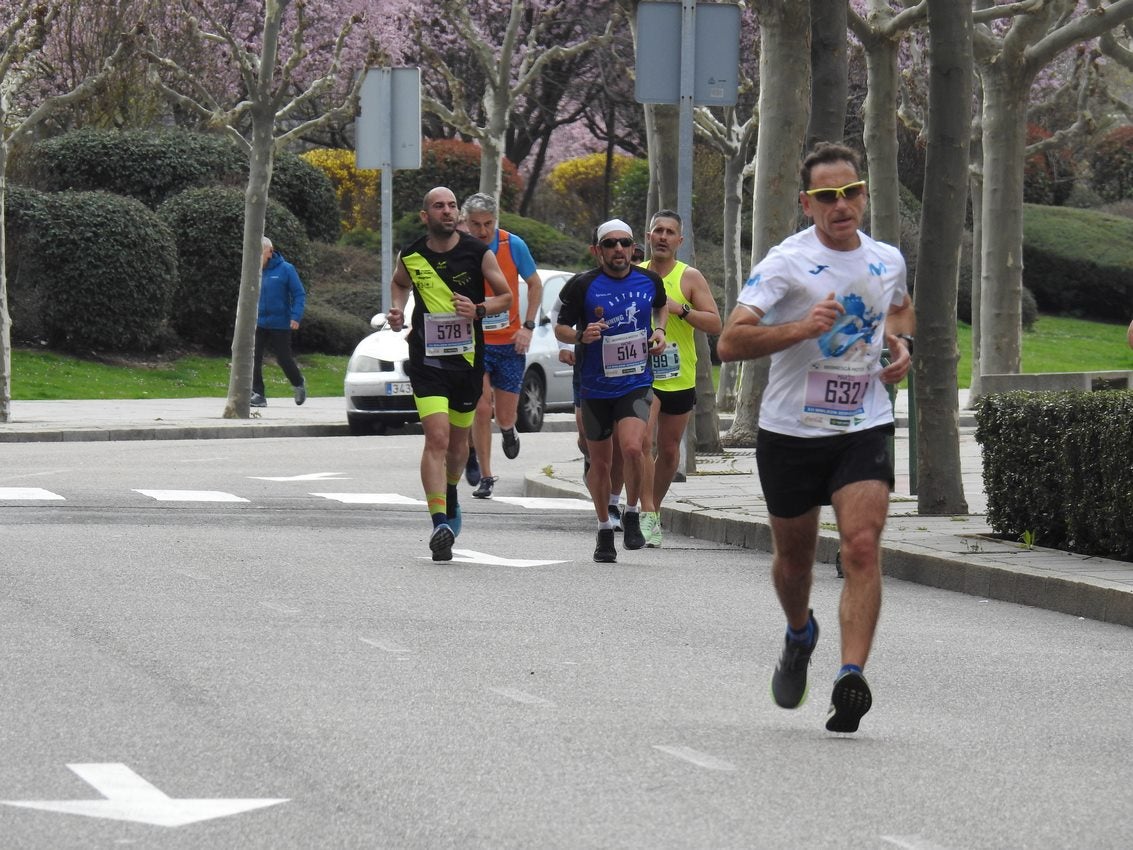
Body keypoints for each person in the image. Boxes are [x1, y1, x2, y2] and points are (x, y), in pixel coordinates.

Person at [716, 142, 915, 734]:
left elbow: (899, 310)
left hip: (863, 420)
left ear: (863, 194)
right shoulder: (786, 263)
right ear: (807, 204)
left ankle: (849, 676)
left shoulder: (887, 259)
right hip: (791, 432)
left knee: (860, 545)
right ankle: (800, 632)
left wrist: (903, 347)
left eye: (850, 192)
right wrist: (802, 327)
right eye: (827, 196)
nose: (841, 204)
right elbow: (730, 341)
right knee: (795, 563)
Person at [386, 187, 512, 561]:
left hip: (467, 361)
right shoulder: (412, 254)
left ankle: (452, 489)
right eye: (438, 206)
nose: (447, 211)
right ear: (426, 215)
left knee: (459, 445)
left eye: (452, 205)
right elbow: (399, 283)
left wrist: (478, 309)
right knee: (436, 438)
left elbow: (505, 295)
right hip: (427, 359)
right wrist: (397, 309)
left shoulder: (477, 252)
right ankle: (439, 521)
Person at [555, 219, 667, 563]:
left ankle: (631, 512)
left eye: (625, 243)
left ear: (634, 248)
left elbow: (660, 305)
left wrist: (659, 331)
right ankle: (604, 527)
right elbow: (559, 326)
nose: (619, 249)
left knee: (634, 447)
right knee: (600, 463)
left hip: (635, 382)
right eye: (610, 244)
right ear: (597, 250)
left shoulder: (649, 280)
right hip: (594, 387)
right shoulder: (583, 285)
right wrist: (580, 336)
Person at [638, 210, 722, 548]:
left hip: (679, 374)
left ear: (679, 241)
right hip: (642, 374)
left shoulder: (690, 278)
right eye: (657, 230)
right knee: (644, 443)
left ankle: (653, 511)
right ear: (648, 236)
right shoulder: (635, 275)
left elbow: (715, 324)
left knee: (670, 451)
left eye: (669, 232)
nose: (662, 236)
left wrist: (681, 309)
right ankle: (643, 510)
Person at [458, 193, 543, 499]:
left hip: (508, 342)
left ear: (496, 221)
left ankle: (508, 430)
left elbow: (535, 284)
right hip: (473, 341)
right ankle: (486, 474)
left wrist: (528, 327)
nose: (482, 231)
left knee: (505, 414)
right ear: (465, 222)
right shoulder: (459, 247)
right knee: (481, 407)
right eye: (475, 224)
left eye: (488, 224)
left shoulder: (512, 245)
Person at [251, 237, 307, 408]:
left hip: (280, 322)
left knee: (283, 358)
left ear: (269, 251)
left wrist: (295, 317)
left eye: (260, 252)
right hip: (259, 321)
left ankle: (298, 383)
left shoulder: (286, 269)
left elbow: (299, 294)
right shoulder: (254, 271)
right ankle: (258, 394)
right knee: (253, 357)